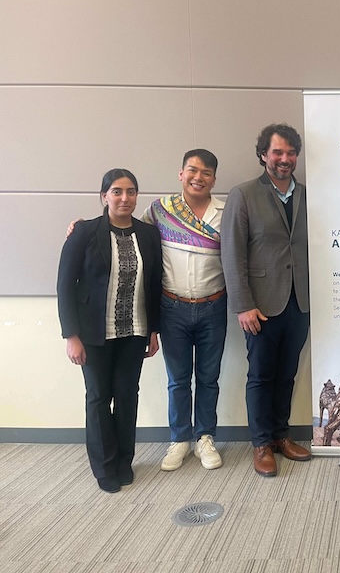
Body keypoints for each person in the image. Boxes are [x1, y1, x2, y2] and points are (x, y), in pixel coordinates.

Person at [57, 169, 162, 493]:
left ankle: (123, 461)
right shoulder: (84, 232)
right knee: (99, 398)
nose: (124, 198)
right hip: (93, 334)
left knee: (127, 396)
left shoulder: (147, 234)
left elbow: (154, 283)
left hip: (134, 332)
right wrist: (71, 335)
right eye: (117, 192)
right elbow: (65, 285)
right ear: (104, 196)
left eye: (131, 192)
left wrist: (153, 331)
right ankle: (104, 466)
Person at [221, 123, 311, 477]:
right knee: (261, 375)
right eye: (277, 152)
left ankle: (280, 436)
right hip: (260, 305)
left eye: (290, 153)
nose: (285, 159)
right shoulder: (243, 195)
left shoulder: (306, 195)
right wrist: (242, 304)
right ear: (263, 155)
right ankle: (260, 444)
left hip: (299, 302)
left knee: (287, 374)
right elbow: (232, 254)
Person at [142, 150, 227, 472]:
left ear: (214, 179)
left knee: (209, 378)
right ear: (181, 174)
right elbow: (131, 234)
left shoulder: (226, 210)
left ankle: (205, 437)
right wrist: (83, 226)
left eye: (206, 172)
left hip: (214, 306)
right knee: (178, 380)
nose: (198, 177)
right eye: (192, 170)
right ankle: (179, 439)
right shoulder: (161, 211)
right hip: (172, 308)